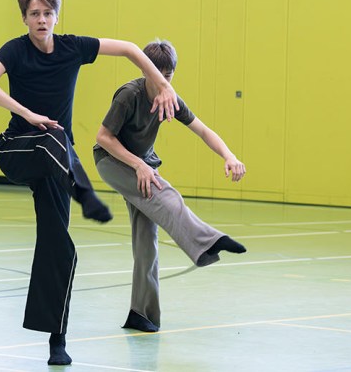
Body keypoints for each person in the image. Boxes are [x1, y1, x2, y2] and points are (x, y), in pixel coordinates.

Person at [0, 0, 179, 366]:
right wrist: (28, 115)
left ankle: (57, 342)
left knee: (60, 247)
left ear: (56, 17)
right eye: (34, 14)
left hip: (57, 163)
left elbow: (130, 49)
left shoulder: (72, 48)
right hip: (17, 148)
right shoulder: (15, 50)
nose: (41, 20)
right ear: (24, 19)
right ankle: (84, 193)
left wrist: (163, 84)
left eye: (47, 13)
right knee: (54, 136)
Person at [93, 39, 247, 334]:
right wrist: (138, 165)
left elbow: (203, 130)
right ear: (145, 69)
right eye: (157, 74)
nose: (163, 80)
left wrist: (229, 156)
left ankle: (141, 313)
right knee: (165, 193)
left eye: (169, 75)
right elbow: (103, 137)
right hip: (112, 161)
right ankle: (208, 241)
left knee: (146, 240)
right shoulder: (129, 95)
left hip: (141, 166)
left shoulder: (170, 98)